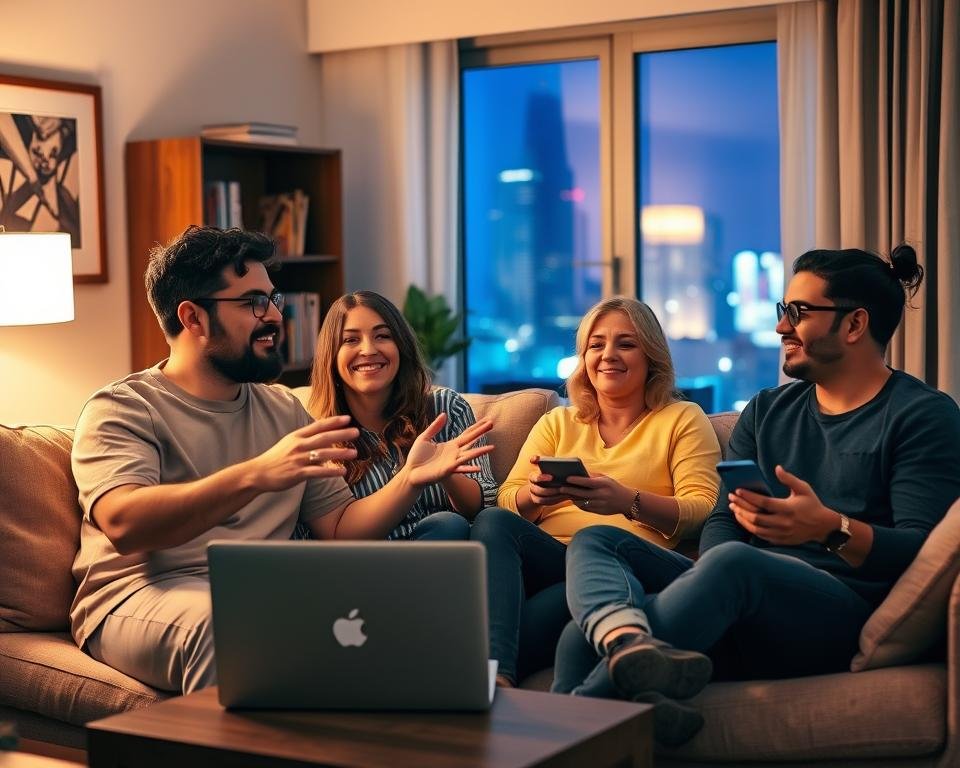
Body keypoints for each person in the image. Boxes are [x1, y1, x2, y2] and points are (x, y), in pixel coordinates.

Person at [557, 245, 960, 746]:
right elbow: (723, 521)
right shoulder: (767, 410)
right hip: (738, 596)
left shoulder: (922, 416)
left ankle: (563, 729)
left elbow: (920, 553)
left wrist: (828, 529)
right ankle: (634, 667)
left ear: (855, 325)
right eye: (782, 311)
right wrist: (700, 589)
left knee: (734, 565)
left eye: (799, 312)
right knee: (596, 559)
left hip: (832, 613)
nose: (781, 328)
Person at [69, 226, 493, 694]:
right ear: (193, 317)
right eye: (252, 302)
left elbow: (338, 528)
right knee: (233, 629)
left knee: (395, 628)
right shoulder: (123, 408)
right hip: (141, 594)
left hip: (260, 592)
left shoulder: (283, 409)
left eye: (272, 299)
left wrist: (408, 480)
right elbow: (126, 524)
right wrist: (256, 474)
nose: (274, 316)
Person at [470, 297, 721, 689]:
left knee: (559, 600)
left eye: (626, 343)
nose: (608, 355)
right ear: (583, 357)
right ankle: (498, 674)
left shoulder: (682, 419)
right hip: (551, 559)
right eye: (596, 345)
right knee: (492, 521)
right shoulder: (558, 421)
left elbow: (703, 509)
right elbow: (507, 497)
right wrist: (534, 497)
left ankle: (497, 675)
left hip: (626, 564)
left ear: (651, 354)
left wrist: (627, 502)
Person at [302, 291, 497, 540]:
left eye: (383, 336)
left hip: (450, 559)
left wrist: (448, 474)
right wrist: (410, 478)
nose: (368, 350)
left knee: (449, 525)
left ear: (401, 347)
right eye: (350, 340)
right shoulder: (319, 438)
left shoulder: (446, 409)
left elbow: (483, 508)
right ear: (331, 356)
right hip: (374, 568)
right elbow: (333, 539)